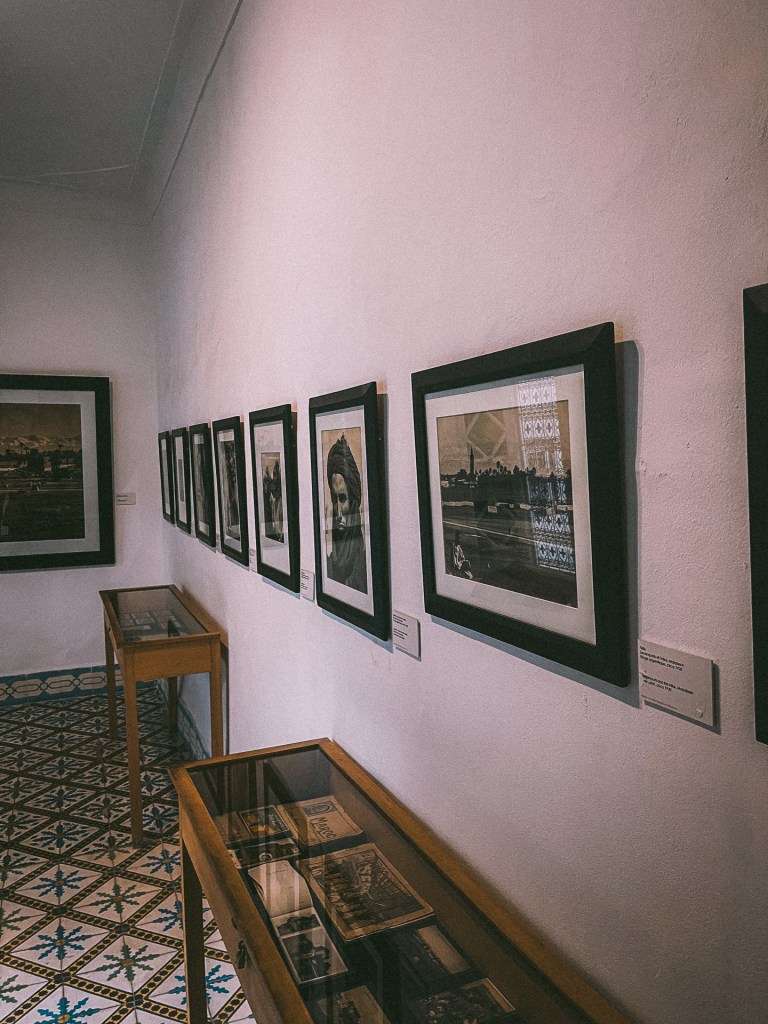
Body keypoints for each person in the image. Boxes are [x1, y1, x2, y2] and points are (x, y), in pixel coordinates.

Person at [326, 434, 367, 593]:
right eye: (334, 499)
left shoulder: (363, 562)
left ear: (354, 500)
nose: (338, 510)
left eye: (343, 498)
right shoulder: (330, 559)